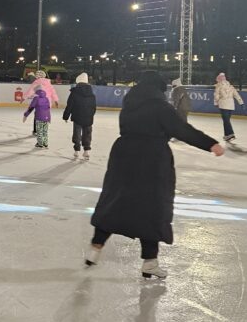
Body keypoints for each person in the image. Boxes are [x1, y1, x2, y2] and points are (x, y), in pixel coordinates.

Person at [87, 71, 224, 279]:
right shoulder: (160, 107)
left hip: (123, 155)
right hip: (151, 158)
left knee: (115, 200)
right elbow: (181, 129)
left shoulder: (129, 105)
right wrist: (210, 144)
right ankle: (150, 262)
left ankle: (95, 248)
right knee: (152, 207)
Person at [63, 72, 96, 160]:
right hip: (88, 118)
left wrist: (66, 116)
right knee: (87, 134)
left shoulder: (74, 92)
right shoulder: (92, 94)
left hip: (77, 116)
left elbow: (69, 105)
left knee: (77, 133)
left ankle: (77, 151)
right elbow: (94, 107)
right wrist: (91, 115)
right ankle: (86, 151)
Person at [214, 73, 244, 141]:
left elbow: (216, 95)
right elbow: (236, 95)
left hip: (223, 105)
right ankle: (226, 135)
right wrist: (241, 103)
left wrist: (216, 103)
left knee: (226, 121)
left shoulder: (218, 86)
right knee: (226, 121)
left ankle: (231, 133)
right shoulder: (231, 86)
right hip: (230, 106)